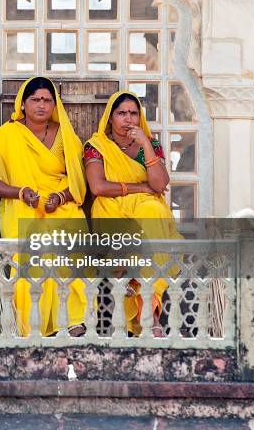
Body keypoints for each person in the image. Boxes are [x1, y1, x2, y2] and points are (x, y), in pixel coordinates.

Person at [0, 76, 88, 337]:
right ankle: (34, 321)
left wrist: (61, 198)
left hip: (60, 204)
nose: (41, 105)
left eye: (47, 100)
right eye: (35, 99)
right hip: (21, 203)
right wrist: (20, 192)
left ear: (54, 104)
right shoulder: (6, 135)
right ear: (23, 103)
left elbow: (78, 179)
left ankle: (73, 319)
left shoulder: (65, 135)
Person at [84, 90, 181, 337]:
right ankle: (142, 317)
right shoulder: (97, 146)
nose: (128, 119)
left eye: (133, 113)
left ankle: (150, 312)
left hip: (145, 204)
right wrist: (138, 187)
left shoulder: (151, 144)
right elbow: (98, 187)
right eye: (121, 113)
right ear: (110, 118)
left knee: (153, 215)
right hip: (111, 205)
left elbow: (159, 185)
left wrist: (146, 145)